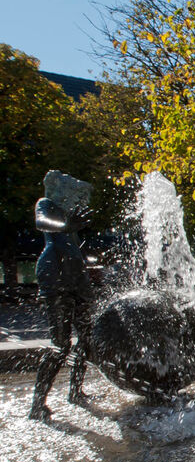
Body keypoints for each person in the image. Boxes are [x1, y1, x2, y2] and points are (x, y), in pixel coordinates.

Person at [28, 171, 94, 422]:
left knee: (87, 338)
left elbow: (72, 245)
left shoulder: (68, 215)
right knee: (61, 344)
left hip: (76, 274)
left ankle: (76, 391)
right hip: (54, 274)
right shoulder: (47, 204)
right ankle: (38, 403)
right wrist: (67, 224)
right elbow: (43, 223)